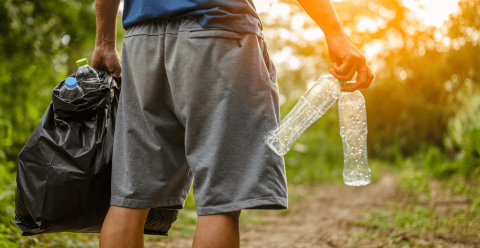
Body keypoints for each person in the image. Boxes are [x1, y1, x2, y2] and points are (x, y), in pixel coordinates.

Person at [92, 0, 375, 247]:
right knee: (221, 197)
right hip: (218, 28)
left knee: (130, 195)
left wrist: (104, 41)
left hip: (141, 40)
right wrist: (335, 33)